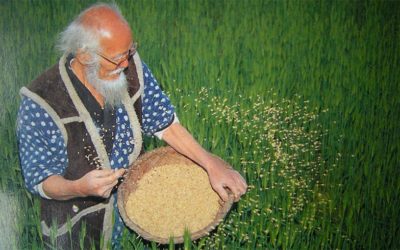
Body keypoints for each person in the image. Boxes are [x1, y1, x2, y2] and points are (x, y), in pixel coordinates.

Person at [16, 3, 247, 249]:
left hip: (129, 213)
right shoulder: (42, 103)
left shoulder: (128, 64)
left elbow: (165, 124)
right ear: (84, 55)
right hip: (76, 227)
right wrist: (80, 187)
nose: (126, 64)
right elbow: (42, 180)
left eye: (129, 51)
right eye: (117, 58)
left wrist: (211, 164)